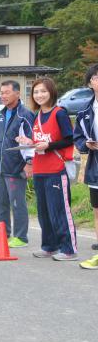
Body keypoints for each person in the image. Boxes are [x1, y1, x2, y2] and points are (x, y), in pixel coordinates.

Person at [17, 77, 78, 261]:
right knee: (44, 211)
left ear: (51, 92)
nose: (39, 95)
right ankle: (49, 246)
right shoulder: (37, 116)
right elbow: (39, 142)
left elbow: (69, 139)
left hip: (57, 169)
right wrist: (29, 142)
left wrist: (48, 145)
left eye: (43, 91)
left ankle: (68, 249)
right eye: (36, 92)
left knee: (59, 210)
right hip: (40, 169)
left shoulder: (59, 113)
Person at [0, 80, 34, 248]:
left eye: (7, 92)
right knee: (0, 202)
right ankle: (2, 234)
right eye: (1, 93)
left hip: (16, 167)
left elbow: (31, 141)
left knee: (17, 203)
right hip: (1, 165)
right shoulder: (1, 114)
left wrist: (29, 162)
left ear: (17, 94)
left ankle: (21, 237)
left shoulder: (25, 115)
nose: (3, 96)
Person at [74, 64, 98, 269]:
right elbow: (78, 137)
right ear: (90, 83)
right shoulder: (85, 111)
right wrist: (86, 145)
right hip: (96, 166)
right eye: (96, 78)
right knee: (97, 211)